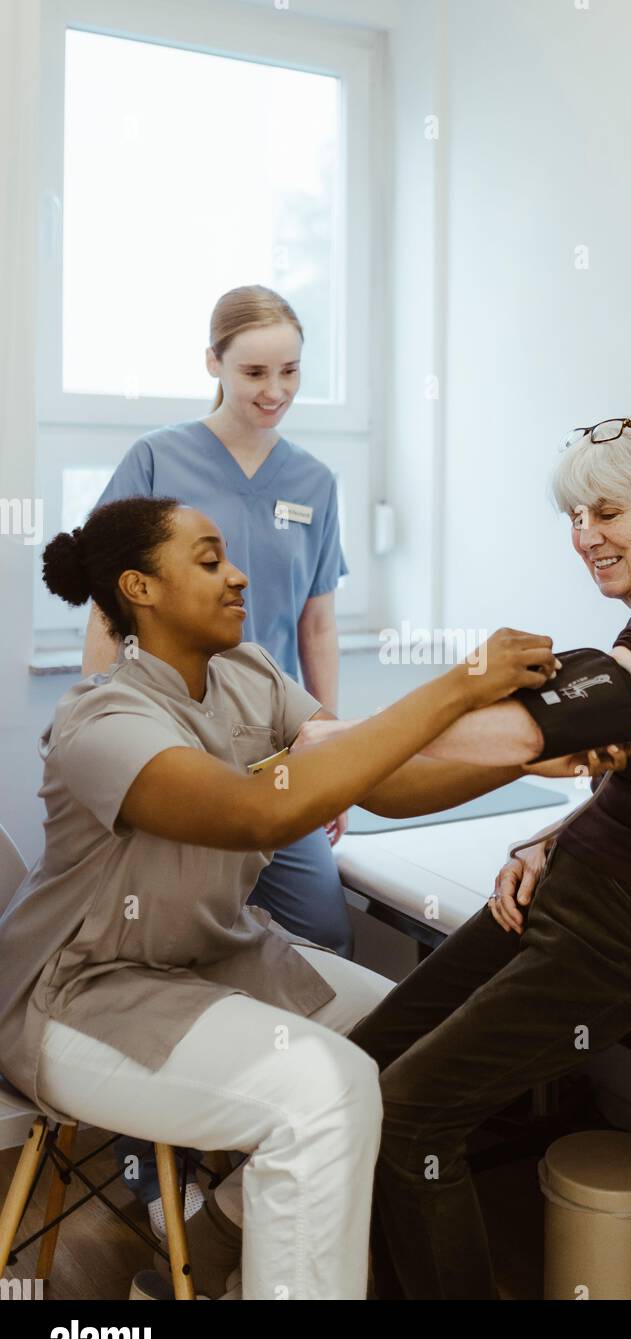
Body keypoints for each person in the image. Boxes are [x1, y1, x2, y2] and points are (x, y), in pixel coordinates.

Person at [0, 495, 568, 1298]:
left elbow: (382, 779)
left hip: (214, 960)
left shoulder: (250, 673)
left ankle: (221, 1232)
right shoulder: (101, 719)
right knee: (323, 1090)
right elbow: (258, 811)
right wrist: (462, 685)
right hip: (85, 994)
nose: (237, 575)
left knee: (412, 1040)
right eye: (207, 561)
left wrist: (528, 753)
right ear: (141, 588)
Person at [327, 414, 631, 1300]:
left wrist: (351, 744)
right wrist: (552, 839)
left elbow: (599, 707)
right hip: (588, 893)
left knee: (412, 1114)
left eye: (607, 511)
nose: (587, 537)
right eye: (575, 517)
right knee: (367, 1061)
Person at [81, 284, 353, 1227]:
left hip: (274, 741)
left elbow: (317, 619)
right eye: (253, 372)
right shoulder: (158, 460)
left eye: (289, 372)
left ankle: (261, 1159)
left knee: (319, 931)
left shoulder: (314, 482)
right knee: (160, 947)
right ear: (212, 364)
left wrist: (335, 751)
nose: (273, 390)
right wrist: (103, 727)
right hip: (170, 741)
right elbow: (107, 608)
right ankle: (155, 1172)